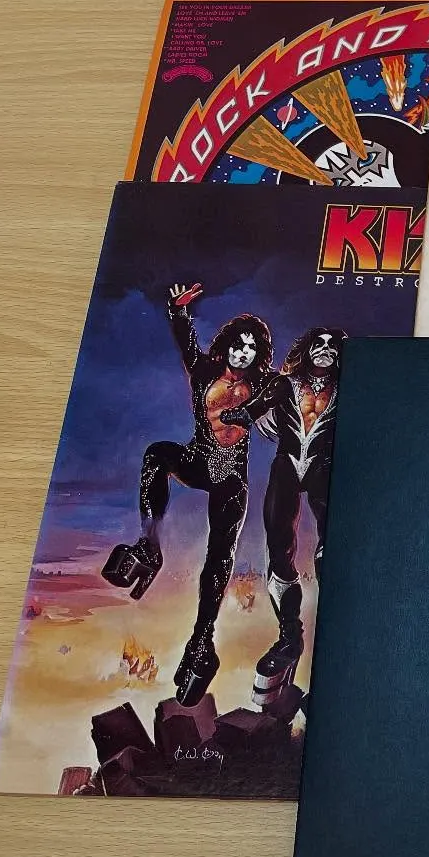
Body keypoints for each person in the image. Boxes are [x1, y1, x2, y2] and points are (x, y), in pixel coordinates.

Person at [102, 283, 273, 705]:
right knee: (157, 455)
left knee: (219, 558)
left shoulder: (264, 384)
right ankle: (149, 547)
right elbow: (187, 342)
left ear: (258, 356)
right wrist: (178, 312)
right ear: (227, 344)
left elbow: (294, 386)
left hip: (231, 479)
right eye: (239, 344)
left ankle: (202, 641)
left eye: (252, 348)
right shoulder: (203, 370)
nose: (243, 352)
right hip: (198, 459)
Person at [220, 327, 348, 708]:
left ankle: (338, 638)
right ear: (306, 349)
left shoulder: (349, 387)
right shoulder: (285, 383)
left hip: (324, 468)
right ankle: (290, 634)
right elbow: (258, 405)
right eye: (318, 344)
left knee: (331, 549)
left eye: (332, 346)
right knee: (278, 550)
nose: (325, 350)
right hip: (287, 465)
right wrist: (242, 414)